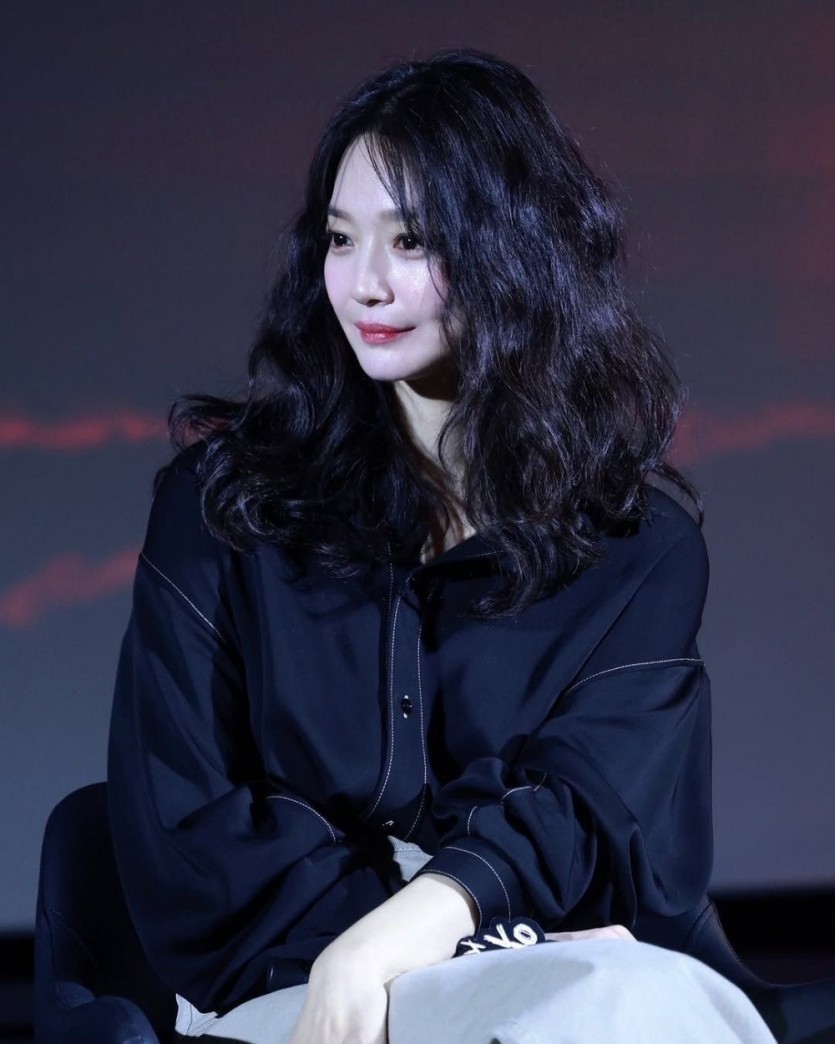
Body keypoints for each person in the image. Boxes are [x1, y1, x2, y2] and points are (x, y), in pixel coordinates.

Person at [107, 50, 778, 1042]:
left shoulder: (639, 547)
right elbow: (187, 829)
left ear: (514, 253)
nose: (364, 285)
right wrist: (366, 953)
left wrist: (436, 939)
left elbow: (587, 807)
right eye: (341, 240)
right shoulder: (224, 508)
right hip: (293, 980)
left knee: (627, 1003)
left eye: (412, 240)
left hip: (558, 968)